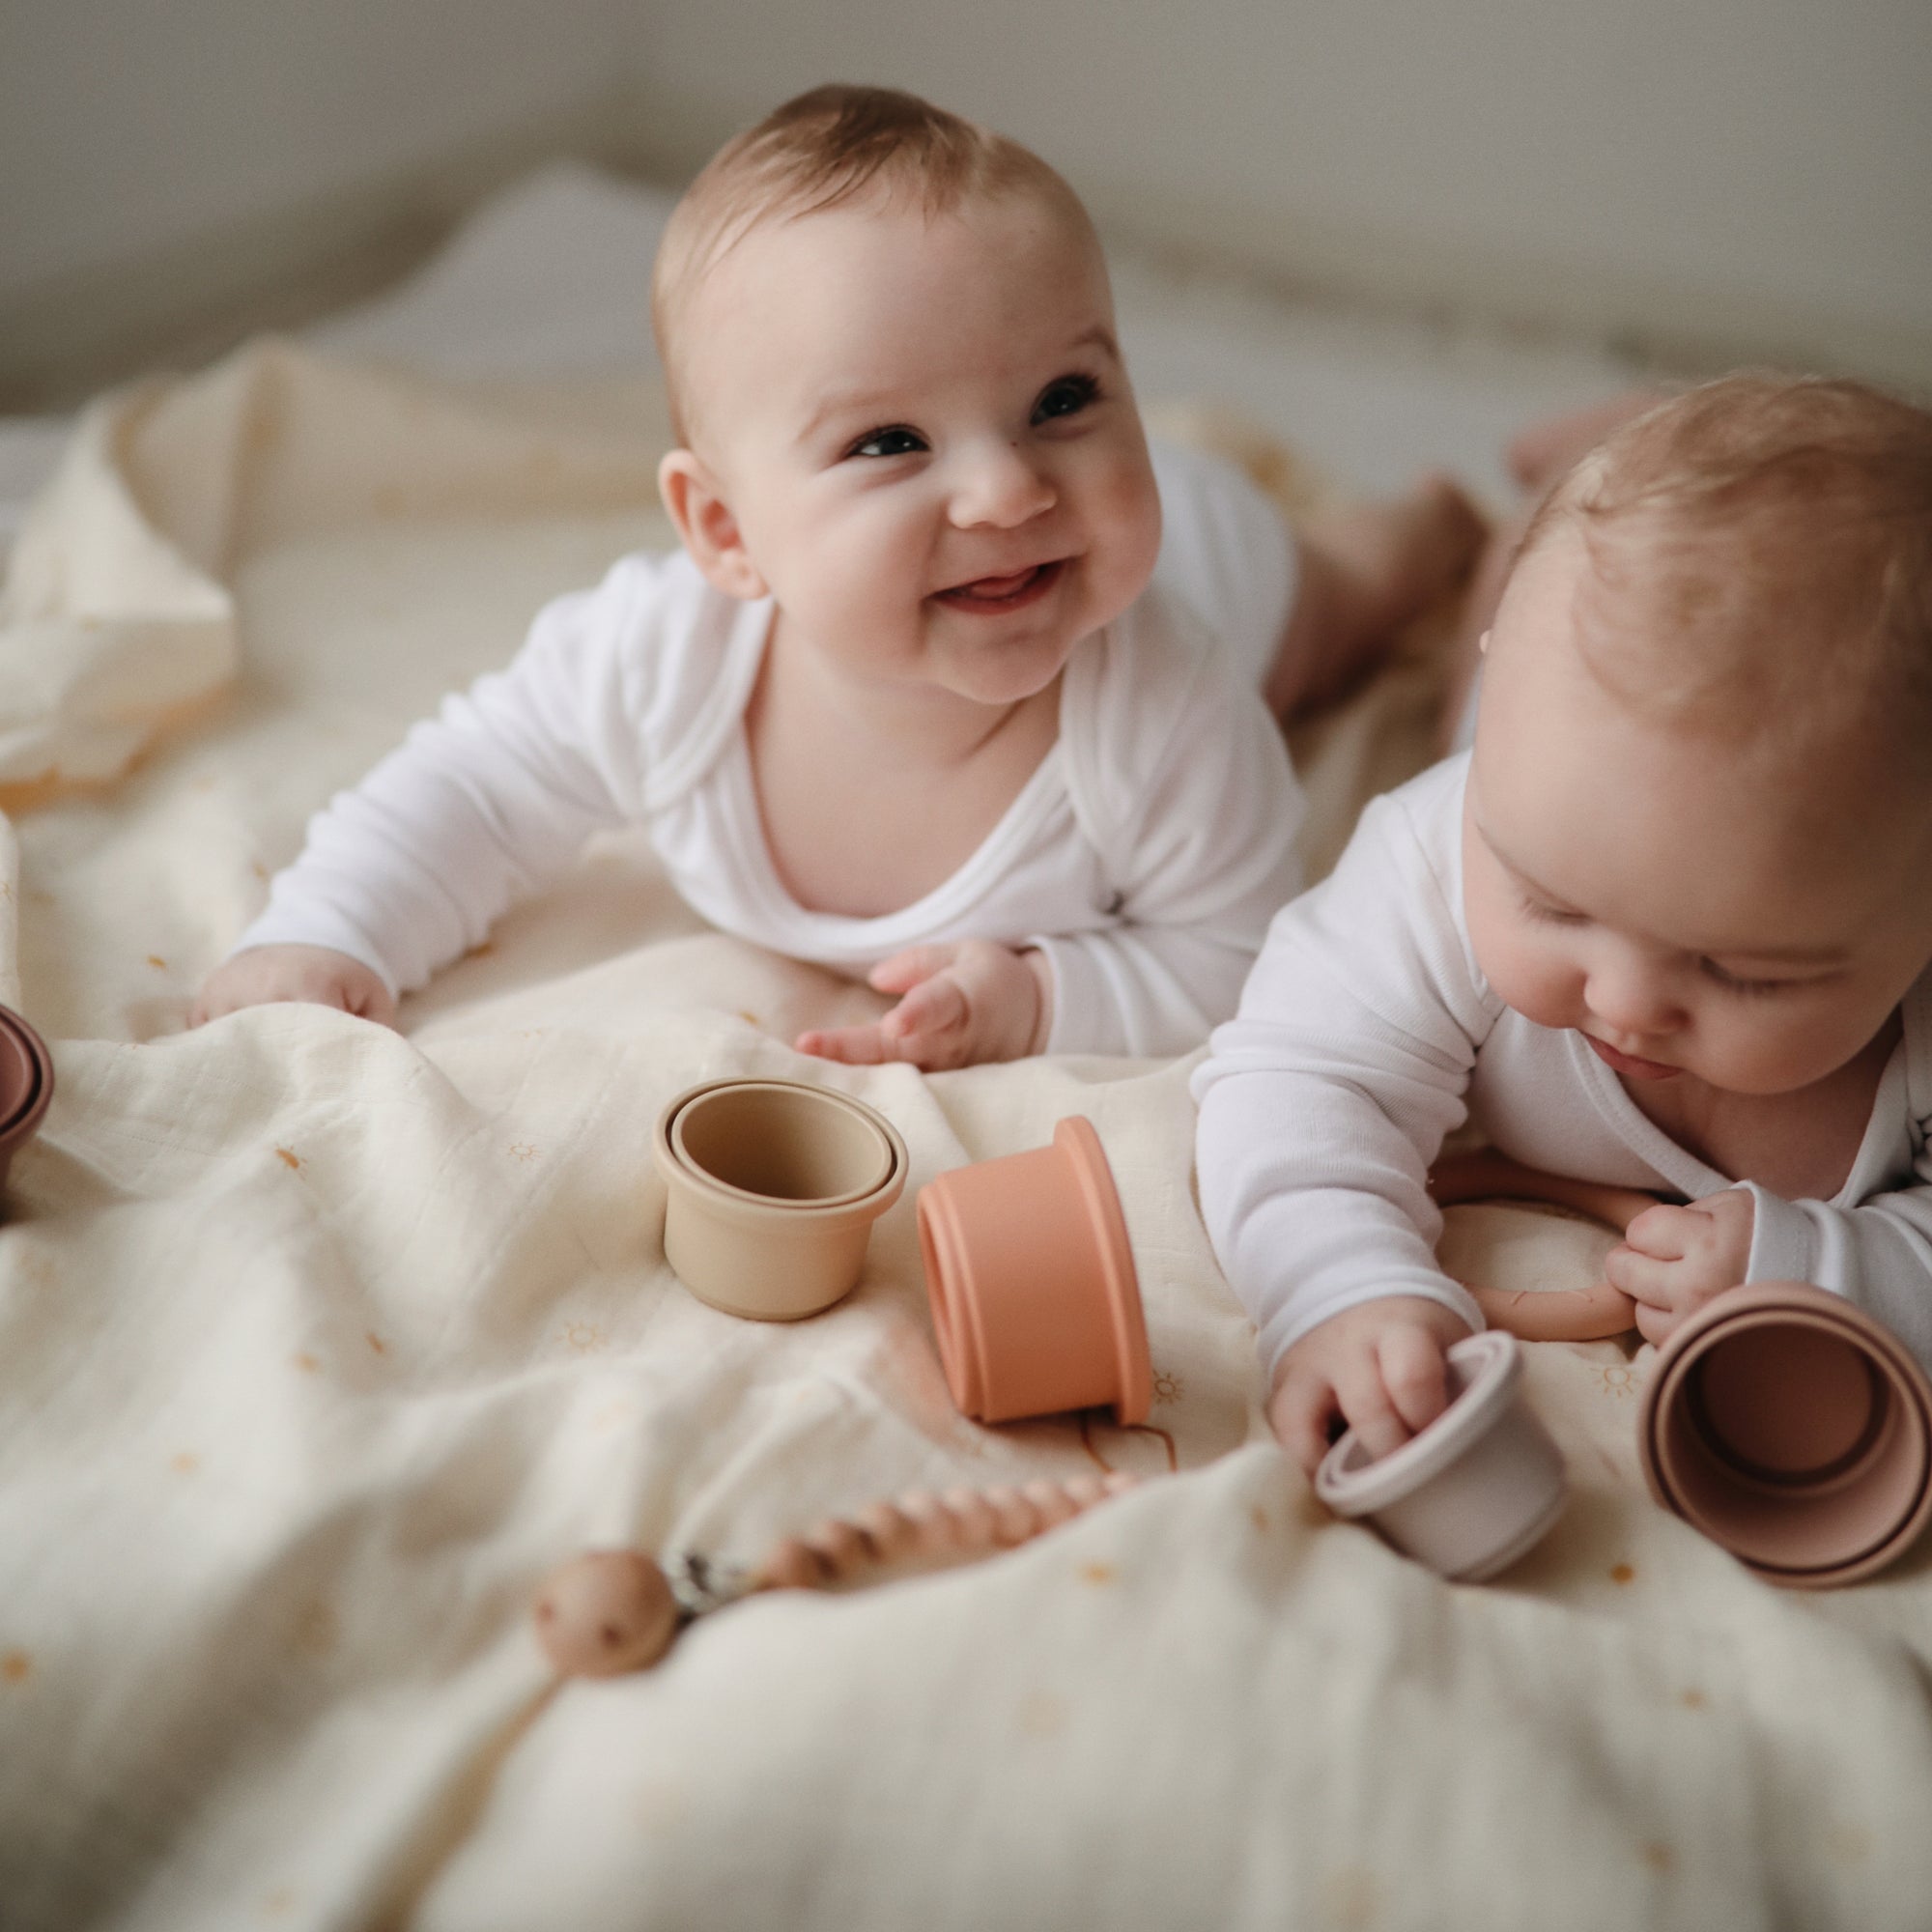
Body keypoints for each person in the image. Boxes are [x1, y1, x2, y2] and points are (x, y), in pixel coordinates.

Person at [190, 84, 1480, 1066]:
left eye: (1066, 396)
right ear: (726, 534)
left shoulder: (1170, 706)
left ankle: (1425, 530)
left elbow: (1241, 954)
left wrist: (1046, 998)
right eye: (889, 442)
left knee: (1343, 615)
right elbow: (474, 788)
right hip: (1131, 541)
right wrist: (331, 931)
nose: (1008, 490)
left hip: (1221, 552)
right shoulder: (661, 660)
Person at [1193, 374, 1932, 1470]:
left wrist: (1824, 1268)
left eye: (1744, 972)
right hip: (1523, 725)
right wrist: (1344, 1283)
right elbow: (1297, 1075)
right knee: (1501, 652)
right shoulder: (1449, 849)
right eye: (1550, 905)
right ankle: (1565, 484)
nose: (1623, 1001)